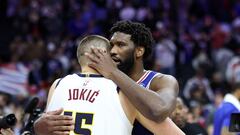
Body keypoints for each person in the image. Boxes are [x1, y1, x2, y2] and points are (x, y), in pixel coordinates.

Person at [34, 21, 183, 135]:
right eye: (111, 45)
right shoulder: (105, 83)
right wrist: (38, 124)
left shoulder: (161, 80)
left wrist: (113, 72)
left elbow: (159, 110)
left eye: (120, 45)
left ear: (139, 51)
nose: (112, 51)